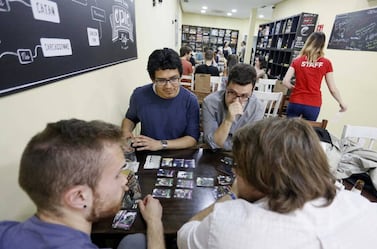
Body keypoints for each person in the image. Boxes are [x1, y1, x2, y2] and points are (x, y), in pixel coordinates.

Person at [177, 118, 377, 249]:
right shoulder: (363, 208)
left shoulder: (229, 222)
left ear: (258, 177)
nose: (235, 173)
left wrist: (231, 195)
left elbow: (185, 234)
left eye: (239, 169)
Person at [0, 119, 165, 249]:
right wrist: (155, 222)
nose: (124, 180)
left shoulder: (5, 230)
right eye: (116, 175)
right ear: (79, 197)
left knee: (135, 241)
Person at [121, 48, 200, 151]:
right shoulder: (139, 95)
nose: (168, 86)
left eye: (174, 79)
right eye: (161, 80)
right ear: (152, 79)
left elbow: (192, 139)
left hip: (179, 154)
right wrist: (126, 131)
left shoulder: (190, 100)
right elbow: (130, 118)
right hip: (146, 153)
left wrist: (161, 144)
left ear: (180, 76)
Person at [282, 31, 347, 121]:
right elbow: (332, 89)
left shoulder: (297, 61)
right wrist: (341, 102)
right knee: (308, 132)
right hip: (313, 103)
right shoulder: (326, 63)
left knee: (289, 130)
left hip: (296, 100)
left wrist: (294, 88)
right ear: (322, 45)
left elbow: (285, 81)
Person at [202, 63, 264, 150]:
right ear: (226, 85)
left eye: (244, 96)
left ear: (252, 91)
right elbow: (213, 143)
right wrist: (228, 120)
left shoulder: (257, 108)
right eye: (232, 92)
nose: (236, 101)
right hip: (214, 153)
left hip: (241, 154)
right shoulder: (210, 102)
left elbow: (251, 144)